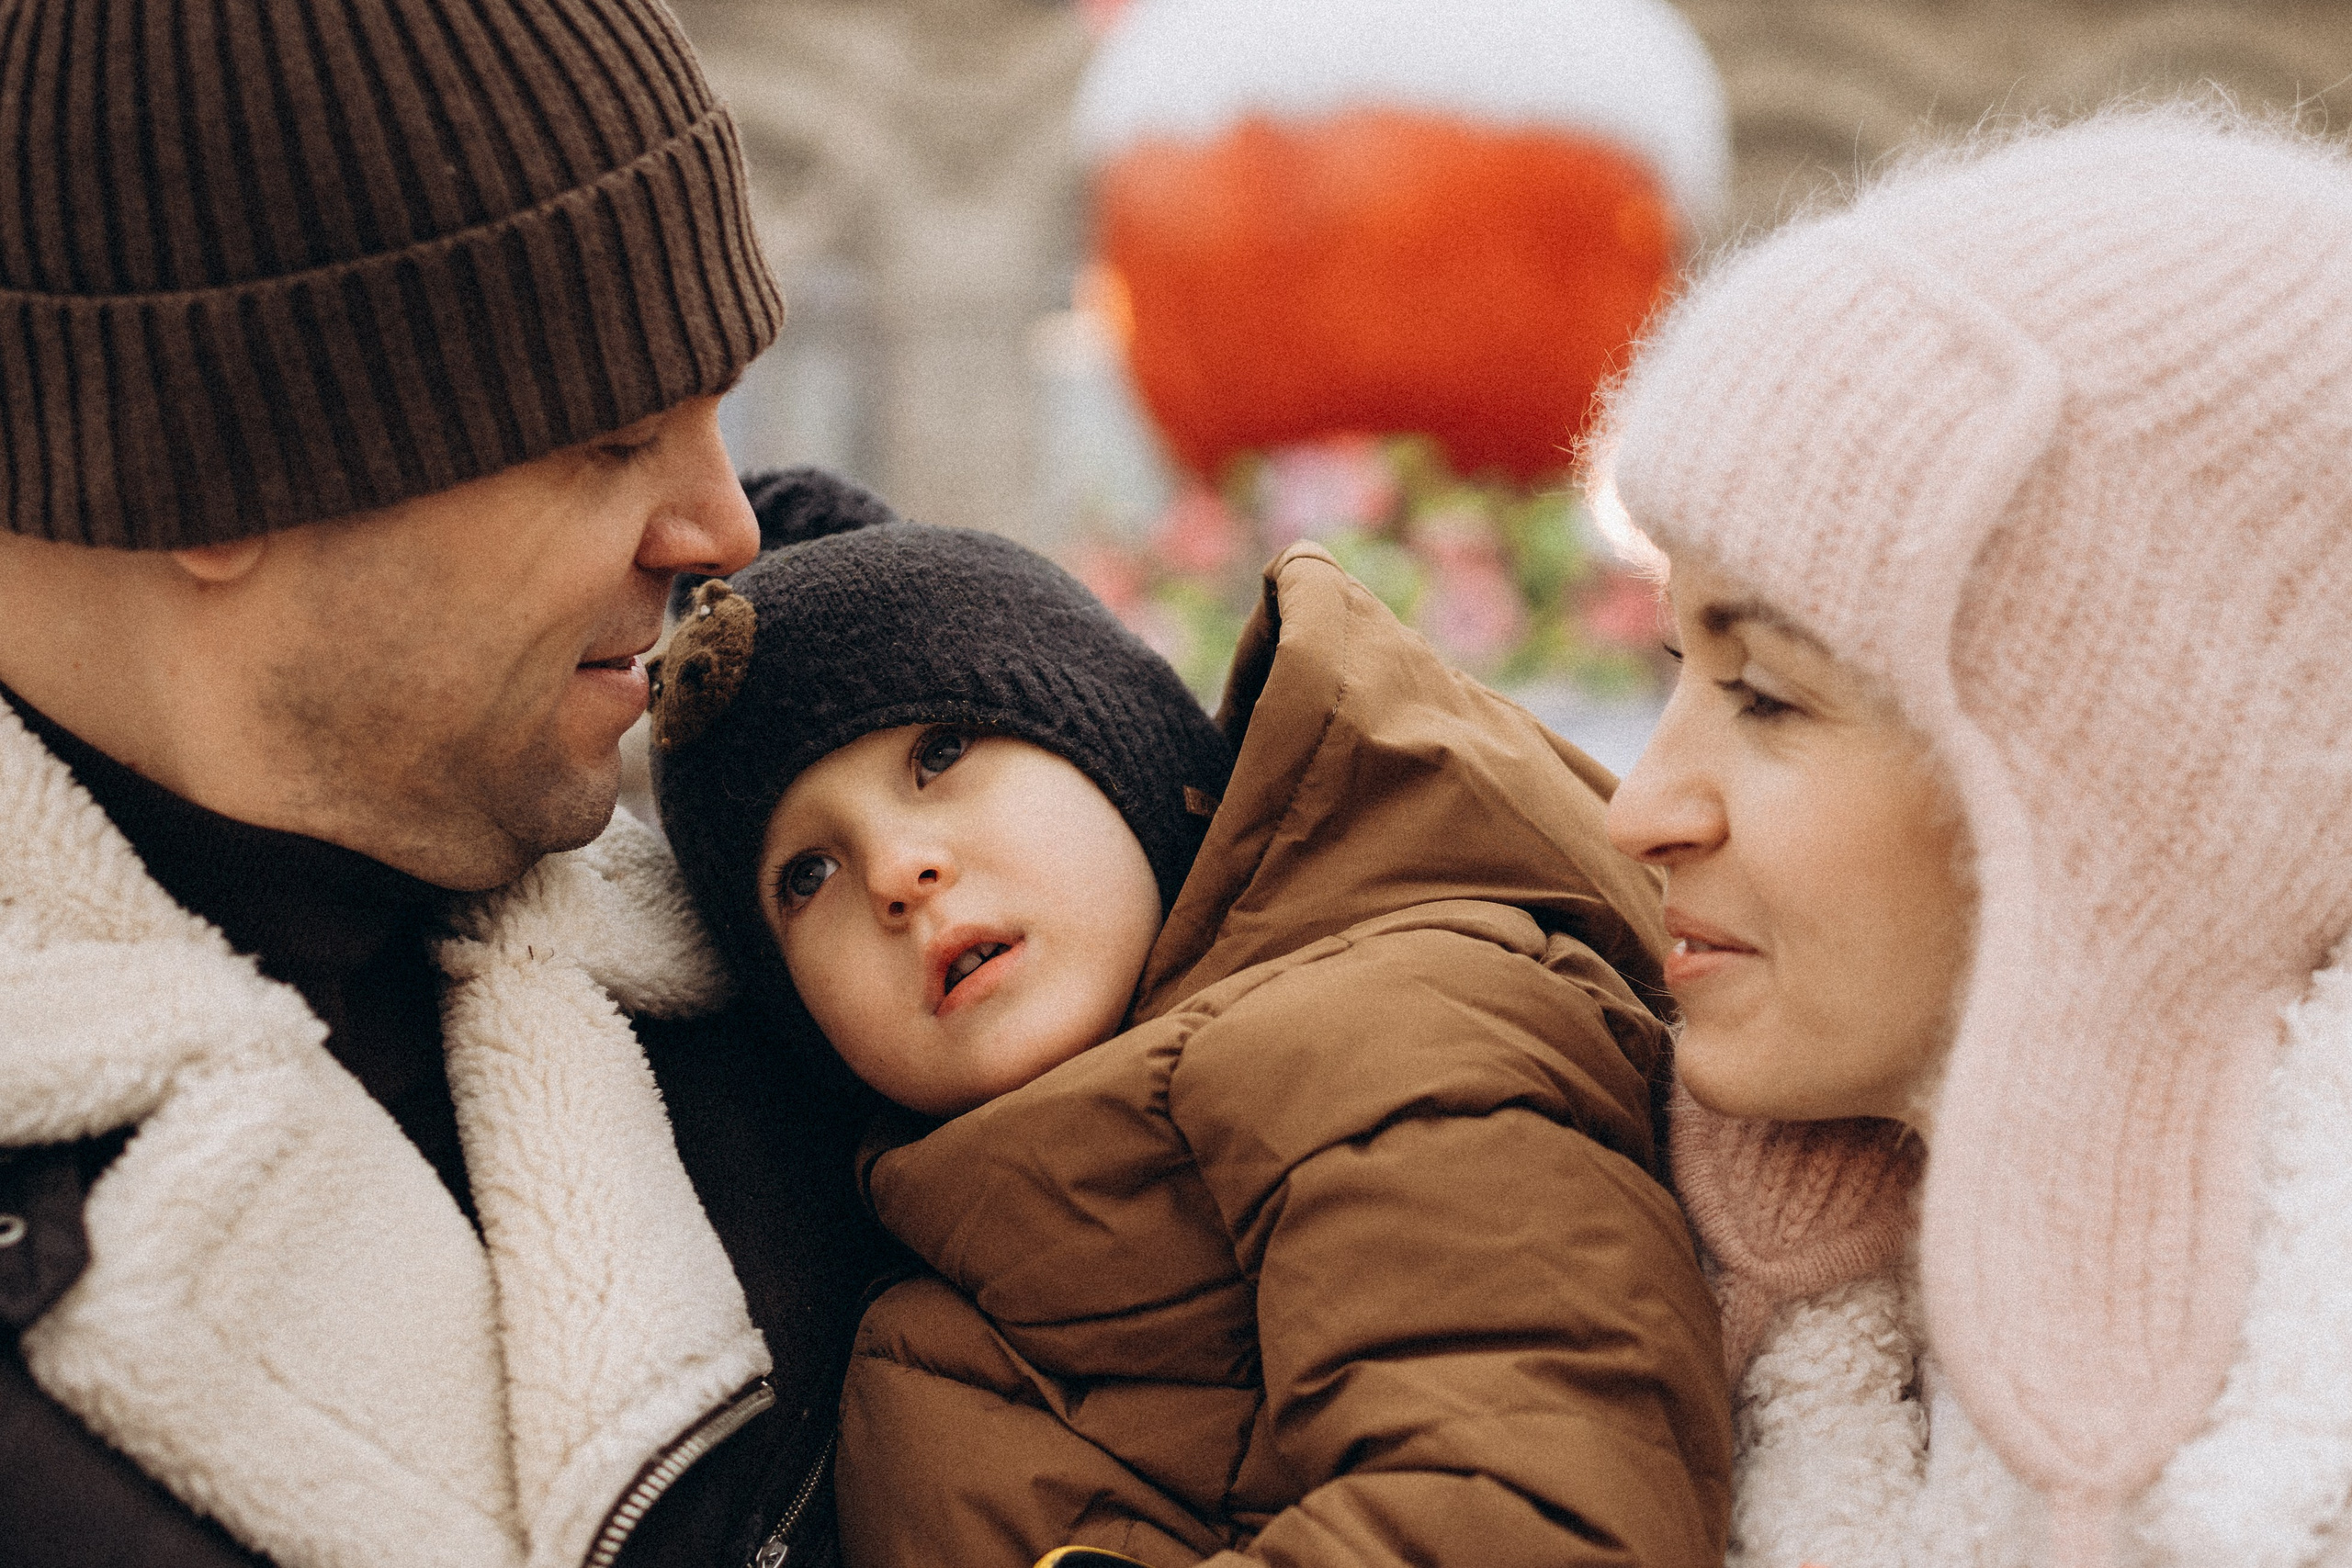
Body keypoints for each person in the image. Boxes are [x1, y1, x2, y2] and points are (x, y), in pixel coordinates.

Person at [0, 3, 895, 1564]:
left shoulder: (817, 953)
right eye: (614, 437)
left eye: (715, 412)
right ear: (206, 469)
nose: (718, 527)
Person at [649, 469, 1734, 1568]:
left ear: (1120, 750)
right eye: (805, 875)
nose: (895, 872)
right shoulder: (918, 1343)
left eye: (939, 755)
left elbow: (1525, 1514)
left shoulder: (1378, 1035)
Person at [1594, 105, 2352, 1568]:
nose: (1641, 808)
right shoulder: (1689, 1307)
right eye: (1671, 666)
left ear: (2129, 781)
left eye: (1766, 693)